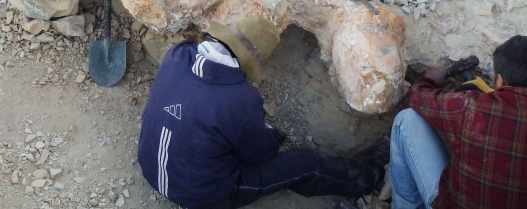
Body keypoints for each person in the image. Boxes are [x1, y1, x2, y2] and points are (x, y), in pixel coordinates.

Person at [137, 16, 389, 209]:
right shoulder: (239, 98)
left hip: (150, 169)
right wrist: (267, 135)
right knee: (305, 163)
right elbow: (261, 155)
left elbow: (201, 108)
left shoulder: (178, 54)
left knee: (221, 133)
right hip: (202, 194)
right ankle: (368, 177)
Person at [389, 35, 527, 209]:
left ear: (500, 81)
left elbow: (417, 96)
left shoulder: (473, 106)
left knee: (406, 119)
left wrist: (429, 79)